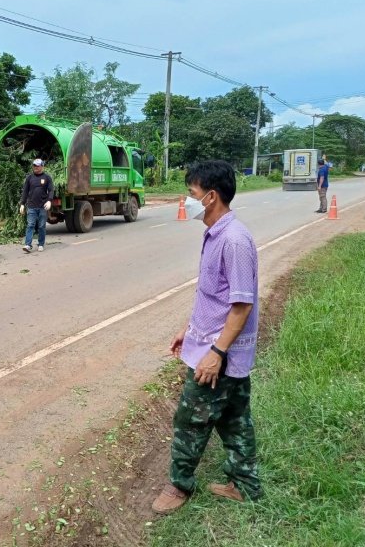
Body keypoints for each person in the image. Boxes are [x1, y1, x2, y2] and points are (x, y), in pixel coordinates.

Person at [152, 160, 262, 515]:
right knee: (234, 419)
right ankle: (245, 485)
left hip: (219, 353)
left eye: (192, 192)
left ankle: (179, 485)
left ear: (211, 196)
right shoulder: (216, 233)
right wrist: (189, 330)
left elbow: (241, 306)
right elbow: (214, 297)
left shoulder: (234, 240)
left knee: (190, 420)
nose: (188, 199)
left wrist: (216, 352)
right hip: (215, 345)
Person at [19, 158, 54, 253]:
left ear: (42, 166)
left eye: (38, 166)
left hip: (43, 206)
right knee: (30, 225)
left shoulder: (47, 178)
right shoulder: (29, 178)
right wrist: (22, 204)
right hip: (31, 206)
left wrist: (49, 201)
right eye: (34, 165)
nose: (36, 167)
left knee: (41, 226)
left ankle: (41, 244)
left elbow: (51, 190)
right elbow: (25, 191)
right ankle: (28, 245)